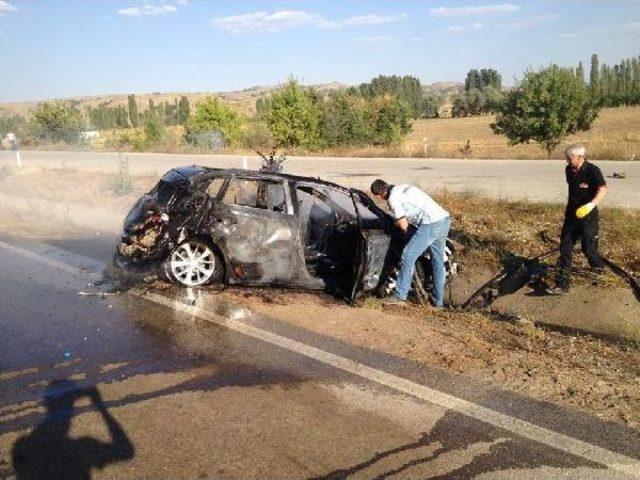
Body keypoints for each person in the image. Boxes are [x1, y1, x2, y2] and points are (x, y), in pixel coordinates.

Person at [370, 179, 451, 308]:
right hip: (444, 220)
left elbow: (403, 226)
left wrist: (396, 222)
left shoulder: (393, 199)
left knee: (407, 256)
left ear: (380, 195)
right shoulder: (403, 187)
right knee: (437, 262)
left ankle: (399, 296)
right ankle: (438, 302)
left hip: (431, 224)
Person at [547, 144, 607, 295]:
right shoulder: (569, 170)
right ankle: (562, 285)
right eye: (566, 158)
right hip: (571, 216)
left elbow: (603, 189)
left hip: (588, 217)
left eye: (569, 158)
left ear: (579, 157)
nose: (567, 161)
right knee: (565, 249)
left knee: (589, 250)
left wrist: (590, 205)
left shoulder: (593, 170)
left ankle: (600, 272)